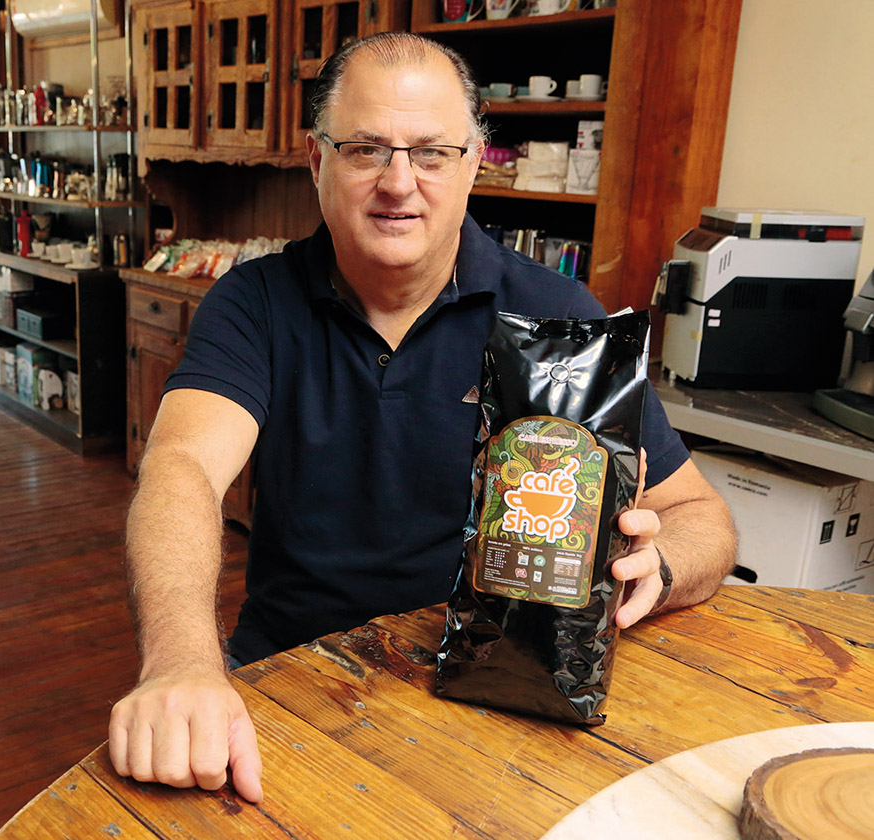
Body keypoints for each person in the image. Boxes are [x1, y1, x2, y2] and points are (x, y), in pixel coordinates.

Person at [109, 32, 735, 805]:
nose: (399, 184)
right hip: (286, 673)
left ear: (472, 164)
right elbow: (182, 467)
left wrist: (661, 566)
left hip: (496, 684)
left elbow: (699, 515)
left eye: (432, 153)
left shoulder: (558, 316)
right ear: (317, 161)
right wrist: (180, 662)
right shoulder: (254, 302)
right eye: (367, 149)